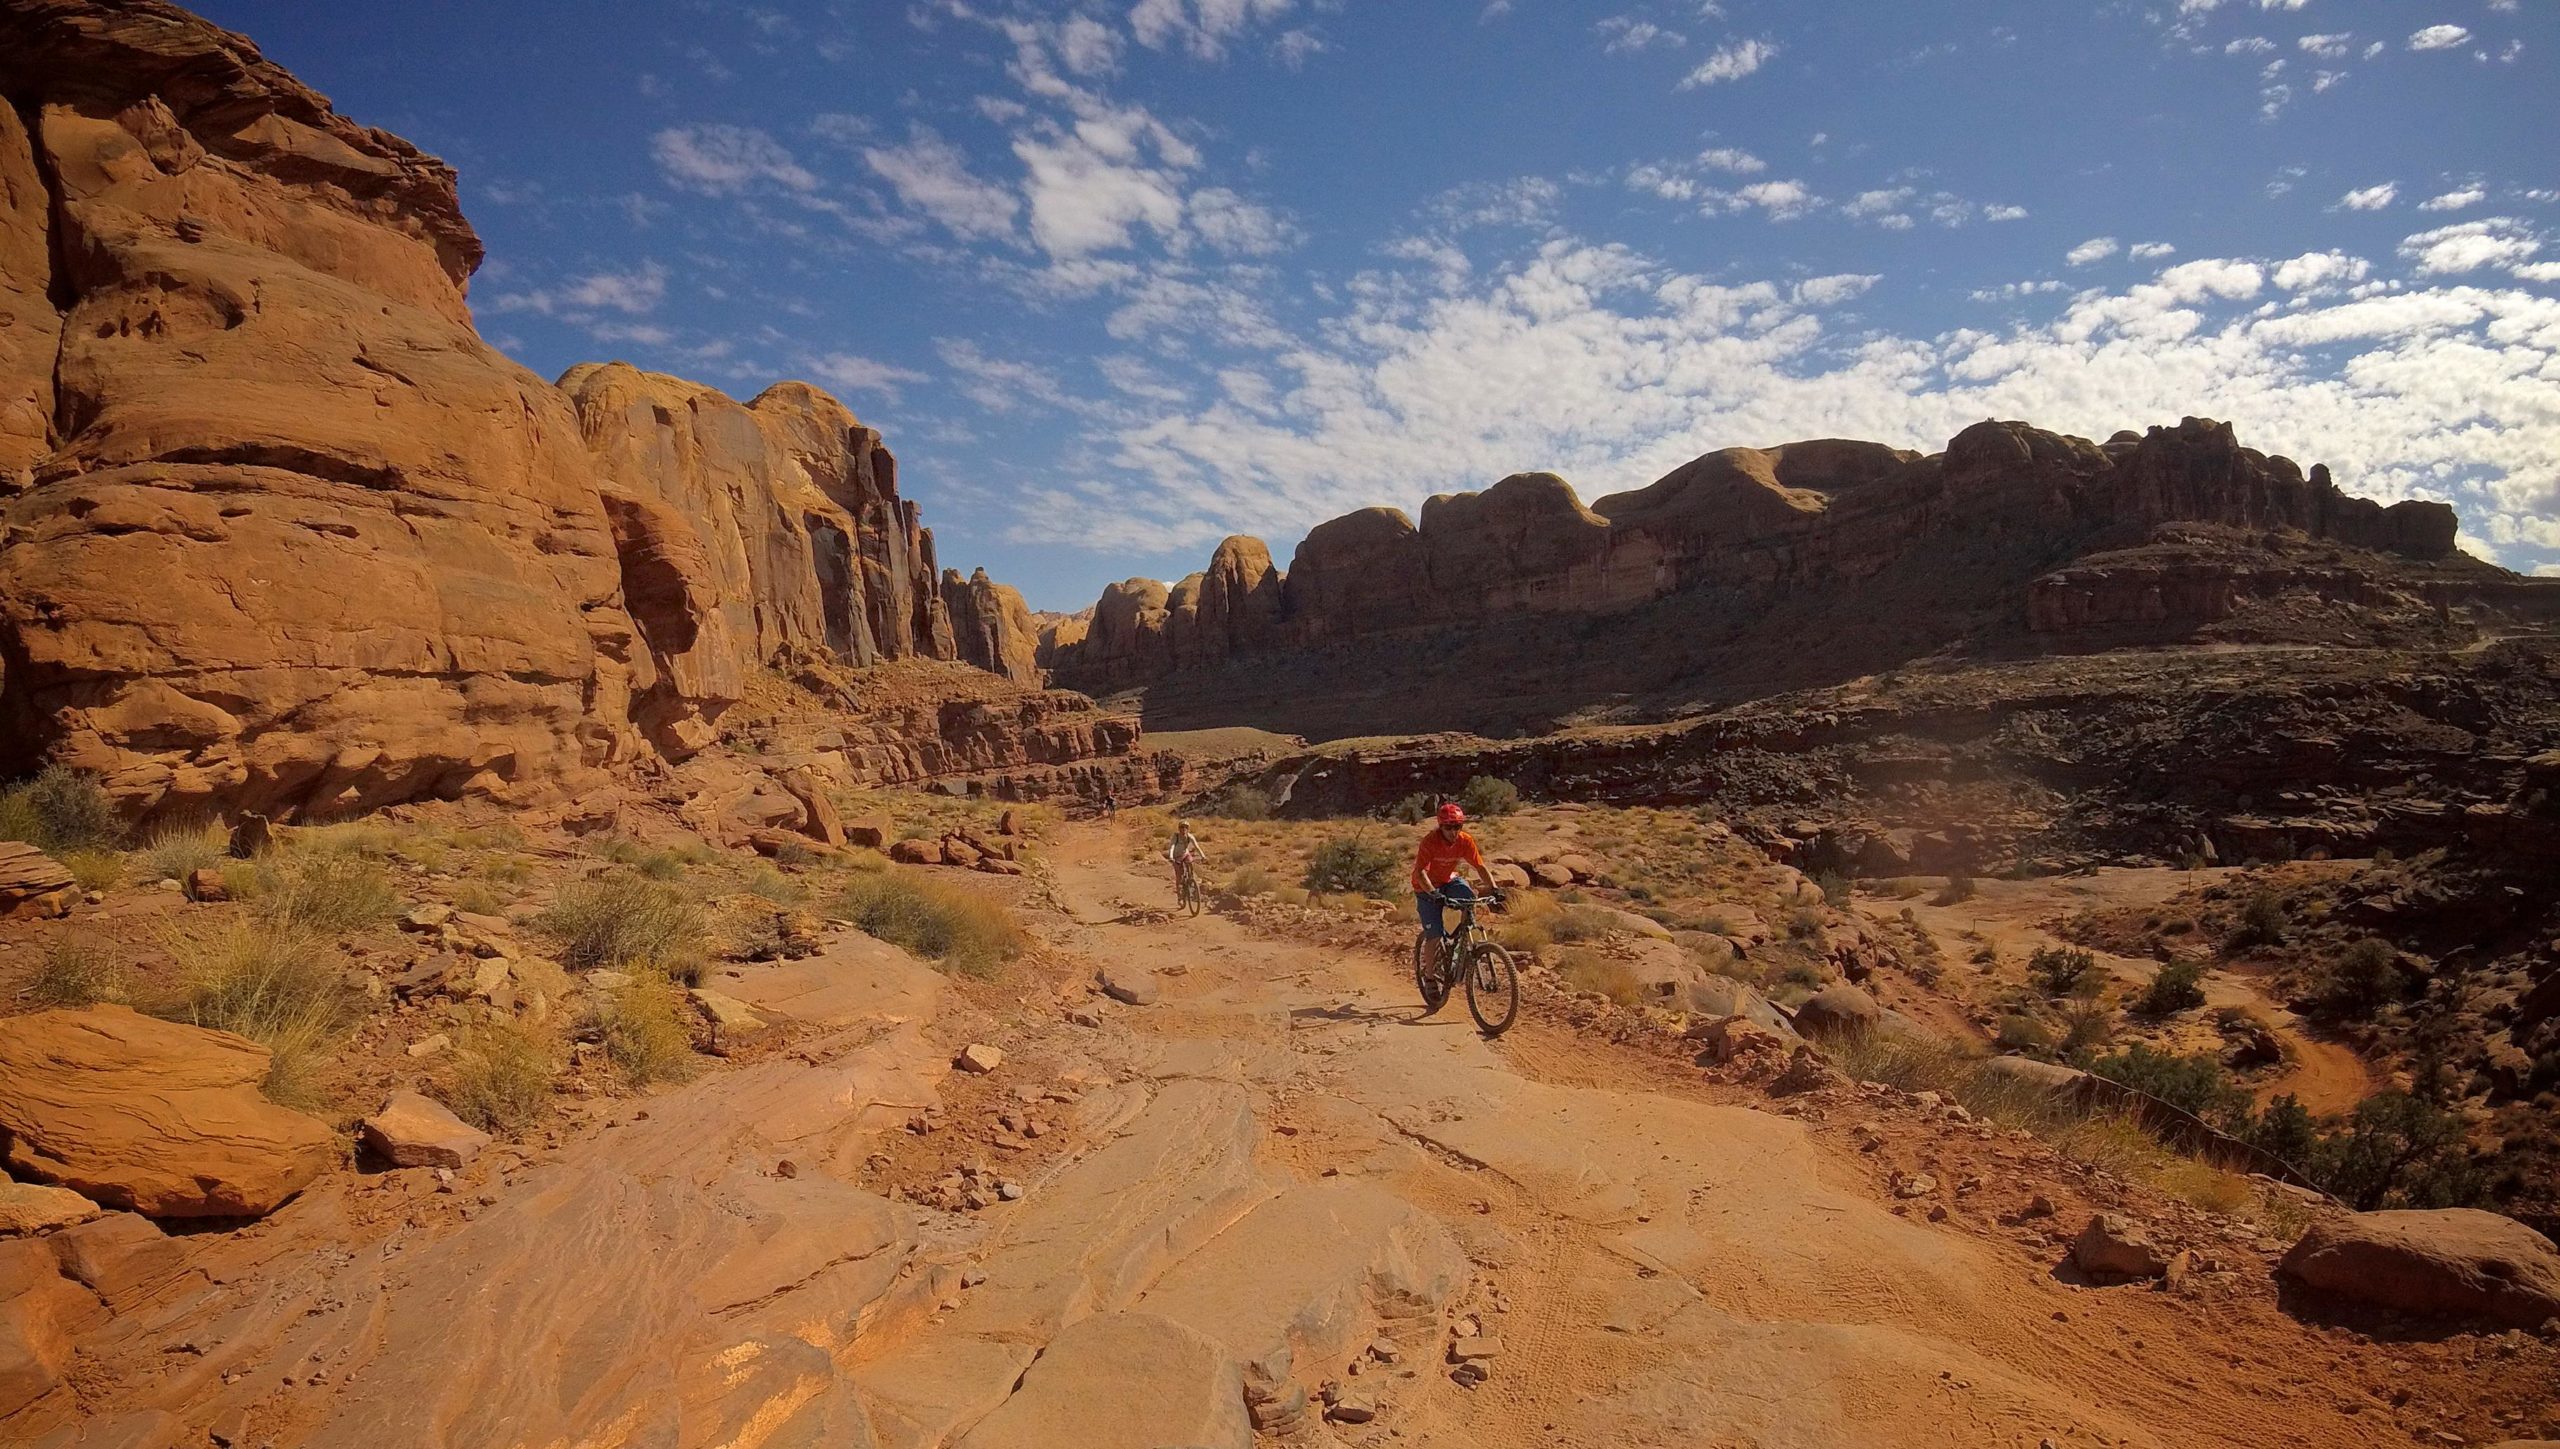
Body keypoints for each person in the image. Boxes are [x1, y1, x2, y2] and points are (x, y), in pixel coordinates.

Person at [1410, 802, 1496, 948]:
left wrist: (1494, 888)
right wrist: (1433, 893)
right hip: (1425, 887)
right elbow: (1420, 872)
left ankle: (1461, 943)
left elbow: (1479, 866)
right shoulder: (1430, 841)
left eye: (1457, 827)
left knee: (1469, 900)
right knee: (1435, 937)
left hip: (1447, 880)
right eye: (1448, 827)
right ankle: (1430, 972)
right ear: (1440, 826)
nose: (1453, 832)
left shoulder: (1465, 841)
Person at [1166, 820, 1203, 898]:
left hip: (1185, 854)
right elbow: (1172, 846)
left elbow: (1197, 847)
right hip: (1176, 857)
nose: (1184, 829)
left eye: (1186, 827)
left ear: (1188, 829)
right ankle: (1180, 896)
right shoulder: (1176, 836)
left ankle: (1191, 880)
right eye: (1182, 827)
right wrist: (1171, 857)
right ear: (1179, 828)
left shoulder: (1190, 836)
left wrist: (1203, 856)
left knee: (1190, 862)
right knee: (1179, 877)